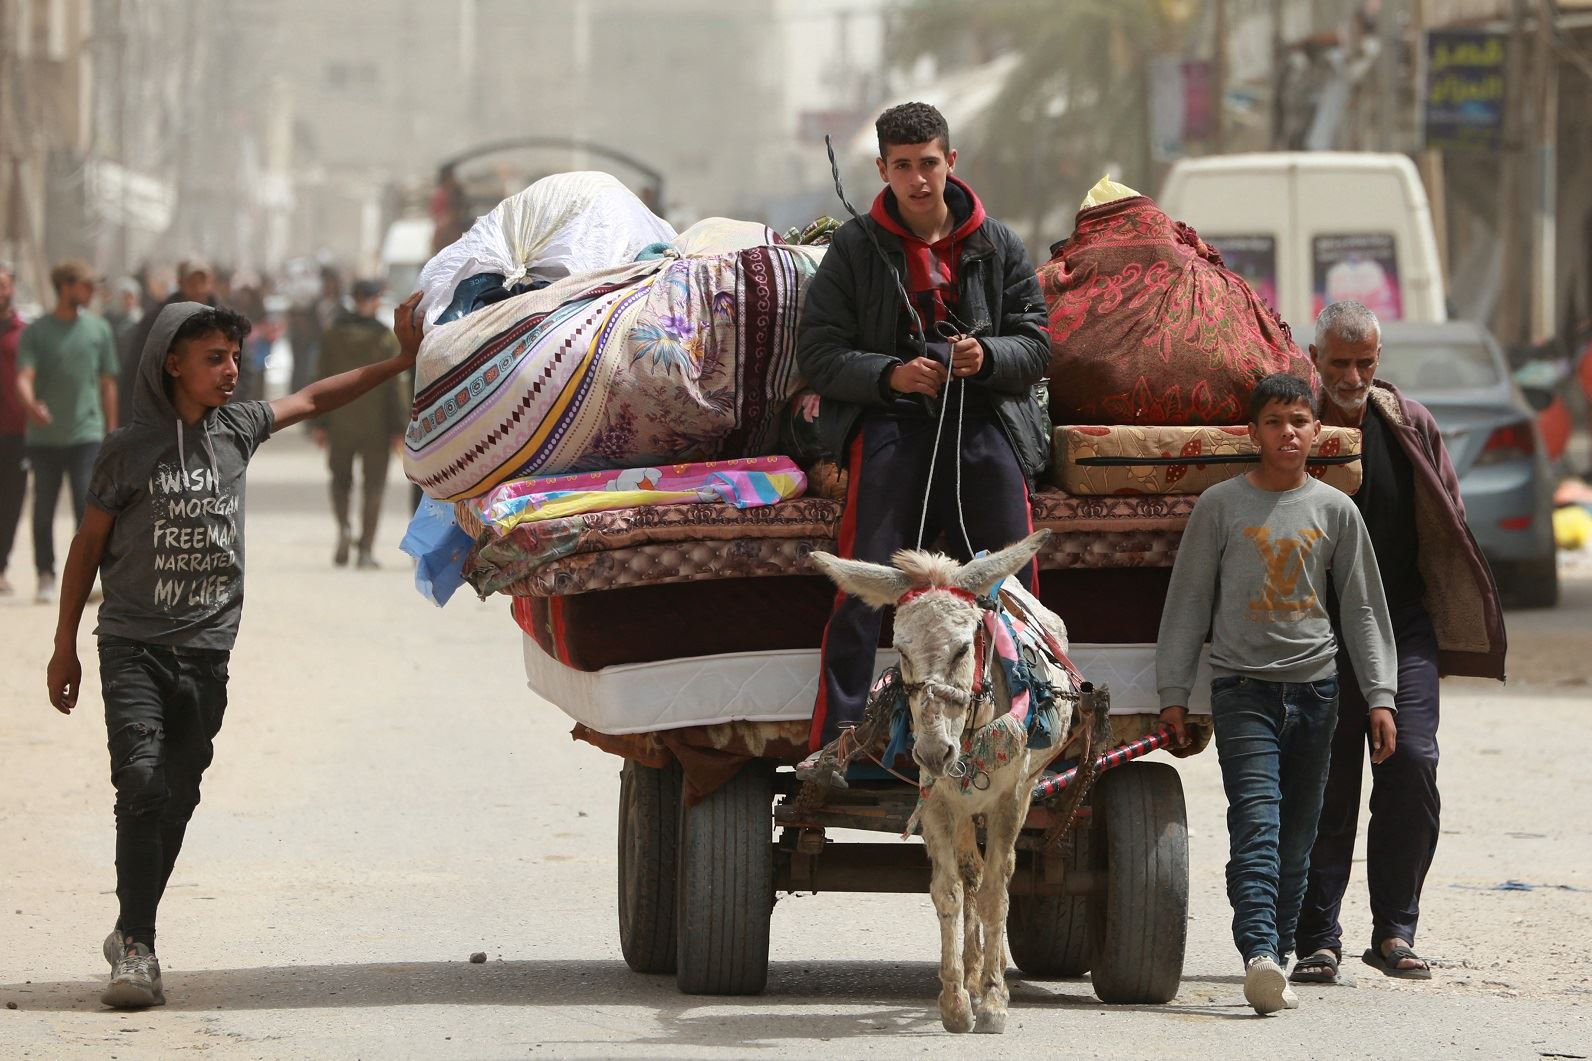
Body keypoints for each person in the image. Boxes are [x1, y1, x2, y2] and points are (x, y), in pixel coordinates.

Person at [46, 293, 424, 1009]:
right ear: (172, 364)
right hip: (132, 644)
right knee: (143, 779)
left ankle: (131, 925)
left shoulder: (238, 429)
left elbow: (314, 395)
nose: (230, 371)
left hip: (208, 650)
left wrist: (401, 362)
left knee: (178, 794)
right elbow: (87, 547)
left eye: (234, 358)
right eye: (214, 359)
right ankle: (137, 944)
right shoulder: (126, 450)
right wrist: (63, 644)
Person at [792, 102, 1050, 779]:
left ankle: (1026, 729)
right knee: (866, 577)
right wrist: (891, 374)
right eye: (902, 167)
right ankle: (844, 742)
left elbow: (1036, 344)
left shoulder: (998, 243)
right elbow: (818, 353)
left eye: (928, 163)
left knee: (1011, 580)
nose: (917, 179)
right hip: (890, 423)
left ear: (950, 162)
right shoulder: (854, 249)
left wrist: (986, 357)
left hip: (982, 421)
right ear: (882, 169)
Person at [1157, 372, 1398, 1016]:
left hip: (1316, 694)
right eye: (1274, 422)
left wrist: (1380, 694)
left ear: (1316, 430)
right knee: (1257, 826)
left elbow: (1364, 611)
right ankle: (1259, 951)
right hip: (1242, 693)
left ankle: (1283, 956)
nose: (1287, 433)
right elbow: (1188, 604)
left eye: (1298, 420)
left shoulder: (1335, 511)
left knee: (1299, 836)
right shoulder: (1220, 506)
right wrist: (1175, 691)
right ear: (1252, 432)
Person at [1291, 300, 1506, 985]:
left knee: (1411, 760)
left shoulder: (1409, 424)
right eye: (1340, 363)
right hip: (1318, 627)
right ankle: (1317, 936)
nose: (1353, 376)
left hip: (1401, 621)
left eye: (1365, 362)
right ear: (1316, 360)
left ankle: (1395, 929)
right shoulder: (1298, 427)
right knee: (1326, 780)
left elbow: (1449, 518)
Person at [15, 260, 119, 604]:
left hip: (86, 435)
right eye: (86, 286)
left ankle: (88, 579)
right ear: (66, 286)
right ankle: (45, 574)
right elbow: (24, 377)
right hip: (44, 438)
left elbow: (107, 384)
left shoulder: (99, 330)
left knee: (87, 507)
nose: (91, 293)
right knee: (43, 507)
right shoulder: (37, 332)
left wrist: (113, 431)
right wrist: (31, 406)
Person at [312, 278, 407, 567]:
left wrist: (319, 422)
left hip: (341, 421)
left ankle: (344, 526)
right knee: (374, 487)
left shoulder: (332, 335)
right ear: (377, 299)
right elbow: (396, 385)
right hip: (376, 426)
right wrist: (400, 428)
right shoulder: (386, 338)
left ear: (353, 298)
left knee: (340, 482)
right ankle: (365, 549)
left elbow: (321, 378)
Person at [125, 260, 216, 408]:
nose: (198, 288)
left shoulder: (224, 320)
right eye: (192, 282)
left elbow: (241, 365)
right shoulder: (158, 319)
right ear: (181, 283)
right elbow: (139, 363)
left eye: (203, 281)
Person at [0, 260, 28, 595]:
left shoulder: (25, 333)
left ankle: (2, 567)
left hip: (17, 434)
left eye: (3, 284)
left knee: (9, 504)